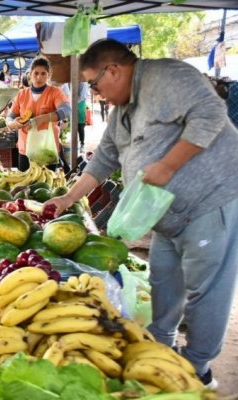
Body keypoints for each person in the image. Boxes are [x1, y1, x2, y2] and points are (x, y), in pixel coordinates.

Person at [45, 39, 238, 390]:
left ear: (114, 70)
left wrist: (167, 165)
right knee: (163, 280)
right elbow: (103, 158)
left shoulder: (168, 76)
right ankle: (159, 347)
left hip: (210, 200)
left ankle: (198, 367)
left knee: (205, 288)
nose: (97, 94)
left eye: (95, 85)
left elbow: (211, 115)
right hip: (164, 212)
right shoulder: (123, 109)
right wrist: (67, 198)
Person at [6, 57, 71, 172]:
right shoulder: (22, 94)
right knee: (25, 185)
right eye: (36, 73)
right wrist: (11, 123)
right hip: (25, 149)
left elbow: (66, 110)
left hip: (47, 148)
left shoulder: (55, 92)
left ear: (48, 75)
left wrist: (42, 119)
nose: (39, 77)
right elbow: (11, 115)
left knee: (46, 186)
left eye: (43, 74)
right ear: (30, 74)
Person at [62, 81, 89, 152]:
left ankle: (82, 144)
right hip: (70, 104)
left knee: (80, 126)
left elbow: (82, 96)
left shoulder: (83, 83)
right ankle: (73, 144)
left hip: (80, 105)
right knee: (71, 126)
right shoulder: (68, 82)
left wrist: (71, 102)